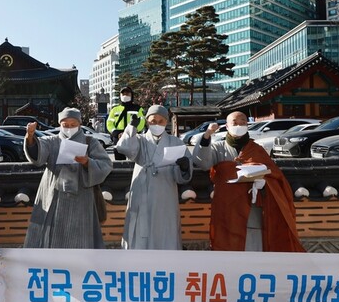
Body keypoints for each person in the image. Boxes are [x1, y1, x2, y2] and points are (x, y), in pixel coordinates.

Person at [192, 111, 304, 252]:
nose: (239, 125)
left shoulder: (257, 149)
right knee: (227, 241)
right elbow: (203, 163)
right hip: (227, 205)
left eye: (243, 122)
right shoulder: (218, 147)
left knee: (254, 242)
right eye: (235, 122)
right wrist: (207, 135)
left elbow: (274, 174)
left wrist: (264, 181)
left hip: (253, 208)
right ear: (227, 126)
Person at [24, 107, 112, 248]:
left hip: (81, 199)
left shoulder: (90, 142)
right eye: (65, 125)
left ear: (79, 124)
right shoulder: (51, 141)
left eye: (73, 125)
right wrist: (30, 137)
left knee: (80, 237)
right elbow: (37, 157)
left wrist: (87, 162)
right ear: (60, 124)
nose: (69, 128)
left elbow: (106, 164)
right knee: (51, 234)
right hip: (54, 195)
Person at [115, 105, 192, 250]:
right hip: (141, 191)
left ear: (166, 122)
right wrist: (131, 128)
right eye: (153, 121)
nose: (157, 124)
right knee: (139, 228)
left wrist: (184, 167)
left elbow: (184, 175)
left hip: (165, 194)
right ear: (146, 122)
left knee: (165, 229)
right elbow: (124, 149)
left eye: (161, 121)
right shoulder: (139, 139)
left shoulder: (176, 142)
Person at [106, 86, 145, 160]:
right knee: (119, 161)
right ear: (120, 96)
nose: (125, 96)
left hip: (133, 136)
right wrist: (116, 133)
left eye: (127, 94)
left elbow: (142, 123)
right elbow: (109, 123)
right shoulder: (114, 109)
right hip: (118, 137)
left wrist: (133, 132)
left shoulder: (138, 109)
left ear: (131, 95)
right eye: (123, 94)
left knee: (135, 160)